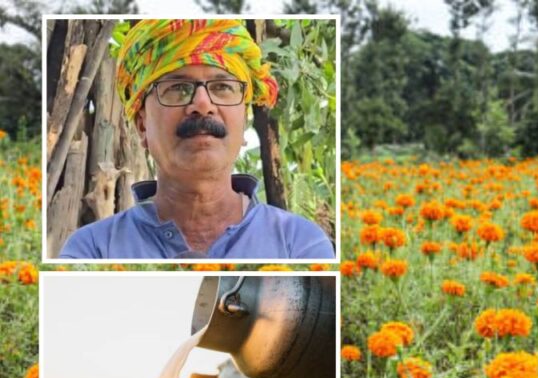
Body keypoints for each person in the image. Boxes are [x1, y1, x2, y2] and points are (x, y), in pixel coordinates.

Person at [59, 19, 335, 259]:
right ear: (142, 126)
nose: (202, 105)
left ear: (244, 121)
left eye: (222, 87)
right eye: (179, 88)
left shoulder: (300, 245)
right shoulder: (93, 250)